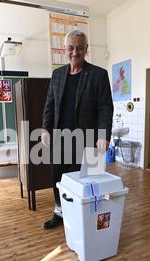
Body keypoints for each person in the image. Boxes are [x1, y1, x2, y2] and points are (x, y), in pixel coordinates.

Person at [41, 30, 114, 229]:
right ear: (65, 50)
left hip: (89, 139)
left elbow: (105, 108)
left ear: (86, 49)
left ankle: (86, 217)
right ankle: (60, 211)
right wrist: (45, 129)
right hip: (60, 138)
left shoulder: (98, 75)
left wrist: (103, 135)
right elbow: (49, 105)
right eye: (71, 48)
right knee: (58, 178)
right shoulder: (57, 75)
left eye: (80, 48)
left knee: (89, 182)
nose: (75, 52)